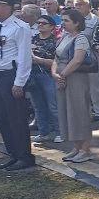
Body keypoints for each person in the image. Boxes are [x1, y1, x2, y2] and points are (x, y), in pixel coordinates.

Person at [0, 0, 35, 171]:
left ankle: (24, 156)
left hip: (11, 77)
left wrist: (19, 82)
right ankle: (13, 154)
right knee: (3, 119)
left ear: (7, 7)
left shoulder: (19, 27)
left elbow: (24, 57)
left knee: (17, 118)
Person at [52, 9, 94, 163]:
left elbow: (77, 60)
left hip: (76, 78)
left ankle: (85, 149)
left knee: (79, 111)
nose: (63, 23)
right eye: (62, 20)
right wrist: (55, 74)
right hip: (62, 78)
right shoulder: (64, 37)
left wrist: (62, 75)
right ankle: (76, 147)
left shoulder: (81, 38)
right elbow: (56, 58)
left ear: (76, 23)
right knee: (67, 112)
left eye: (66, 20)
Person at [29, 15, 61, 143]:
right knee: (38, 105)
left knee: (53, 105)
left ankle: (59, 132)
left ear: (52, 26)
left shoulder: (56, 41)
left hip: (48, 76)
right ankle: (44, 132)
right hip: (33, 74)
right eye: (39, 23)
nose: (40, 25)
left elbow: (57, 62)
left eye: (44, 23)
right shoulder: (33, 39)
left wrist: (39, 60)